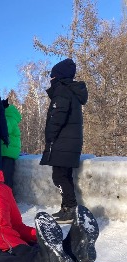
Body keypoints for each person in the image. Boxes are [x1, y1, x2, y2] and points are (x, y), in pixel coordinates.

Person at [40, 58, 88, 224]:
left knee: (59, 177)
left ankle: (70, 209)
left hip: (63, 142)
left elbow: (57, 117)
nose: (51, 79)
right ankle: (67, 208)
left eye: (52, 76)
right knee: (64, 176)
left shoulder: (61, 90)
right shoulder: (72, 91)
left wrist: (49, 137)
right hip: (70, 142)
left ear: (58, 77)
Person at [1, 98, 22, 190]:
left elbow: (4, 130)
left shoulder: (7, 117)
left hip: (6, 151)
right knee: (7, 176)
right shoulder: (11, 117)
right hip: (9, 151)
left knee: (5, 178)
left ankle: (8, 199)